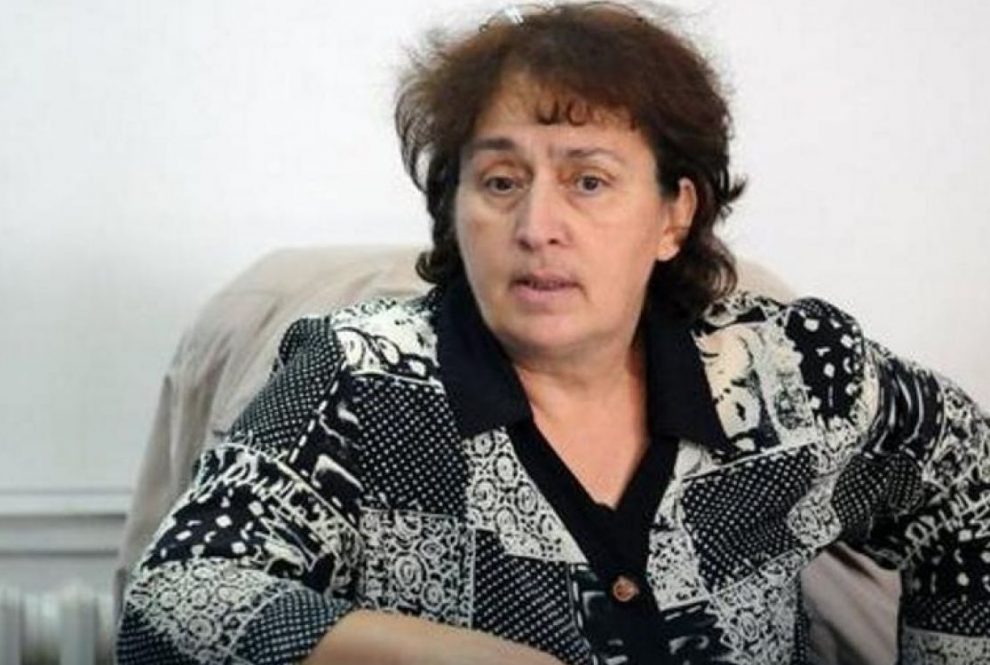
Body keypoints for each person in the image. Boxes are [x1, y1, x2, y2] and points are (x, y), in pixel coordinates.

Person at [116, 3, 990, 664]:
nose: (537, 227)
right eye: (500, 182)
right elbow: (172, 608)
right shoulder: (360, 379)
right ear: (455, 209)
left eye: (589, 182)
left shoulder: (791, 373)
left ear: (674, 216)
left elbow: (969, 486)